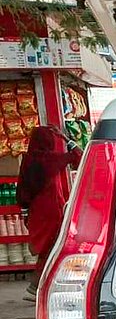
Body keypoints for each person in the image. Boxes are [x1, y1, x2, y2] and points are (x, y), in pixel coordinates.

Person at [18, 125, 81, 300]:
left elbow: (22, 190)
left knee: (48, 248)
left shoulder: (28, 160)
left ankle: (40, 286)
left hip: (36, 213)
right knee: (53, 246)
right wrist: (66, 140)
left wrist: (25, 213)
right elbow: (79, 157)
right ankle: (36, 287)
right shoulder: (51, 160)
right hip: (51, 211)